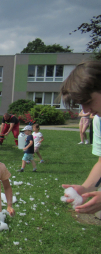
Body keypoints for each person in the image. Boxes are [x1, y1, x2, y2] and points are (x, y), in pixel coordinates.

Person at [60, 60, 101, 214]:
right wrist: (86, 188)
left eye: (88, 101)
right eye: (80, 104)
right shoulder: (99, 120)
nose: (86, 110)